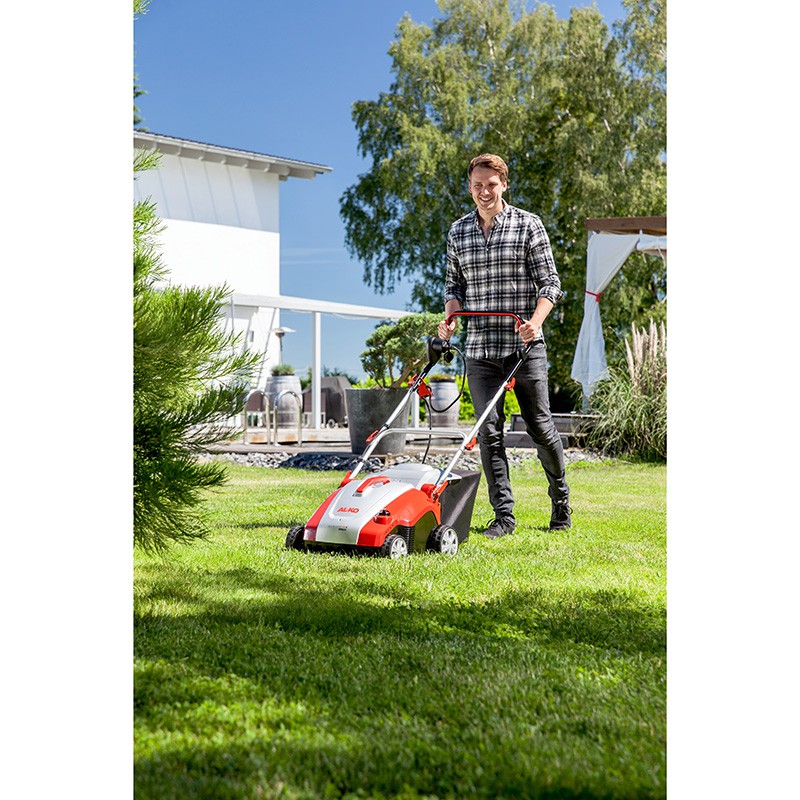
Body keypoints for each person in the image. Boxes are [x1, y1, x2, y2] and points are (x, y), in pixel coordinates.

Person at [437, 153, 571, 536]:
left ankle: (560, 501)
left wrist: (535, 323)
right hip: (480, 349)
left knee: (539, 426)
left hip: (523, 346)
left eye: (491, 185)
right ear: (470, 187)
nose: (484, 192)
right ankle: (504, 517)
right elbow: (453, 286)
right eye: (477, 185)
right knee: (488, 432)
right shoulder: (458, 232)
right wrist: (451, 320)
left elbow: (551, 283)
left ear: (504, 185)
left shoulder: (528, 225)